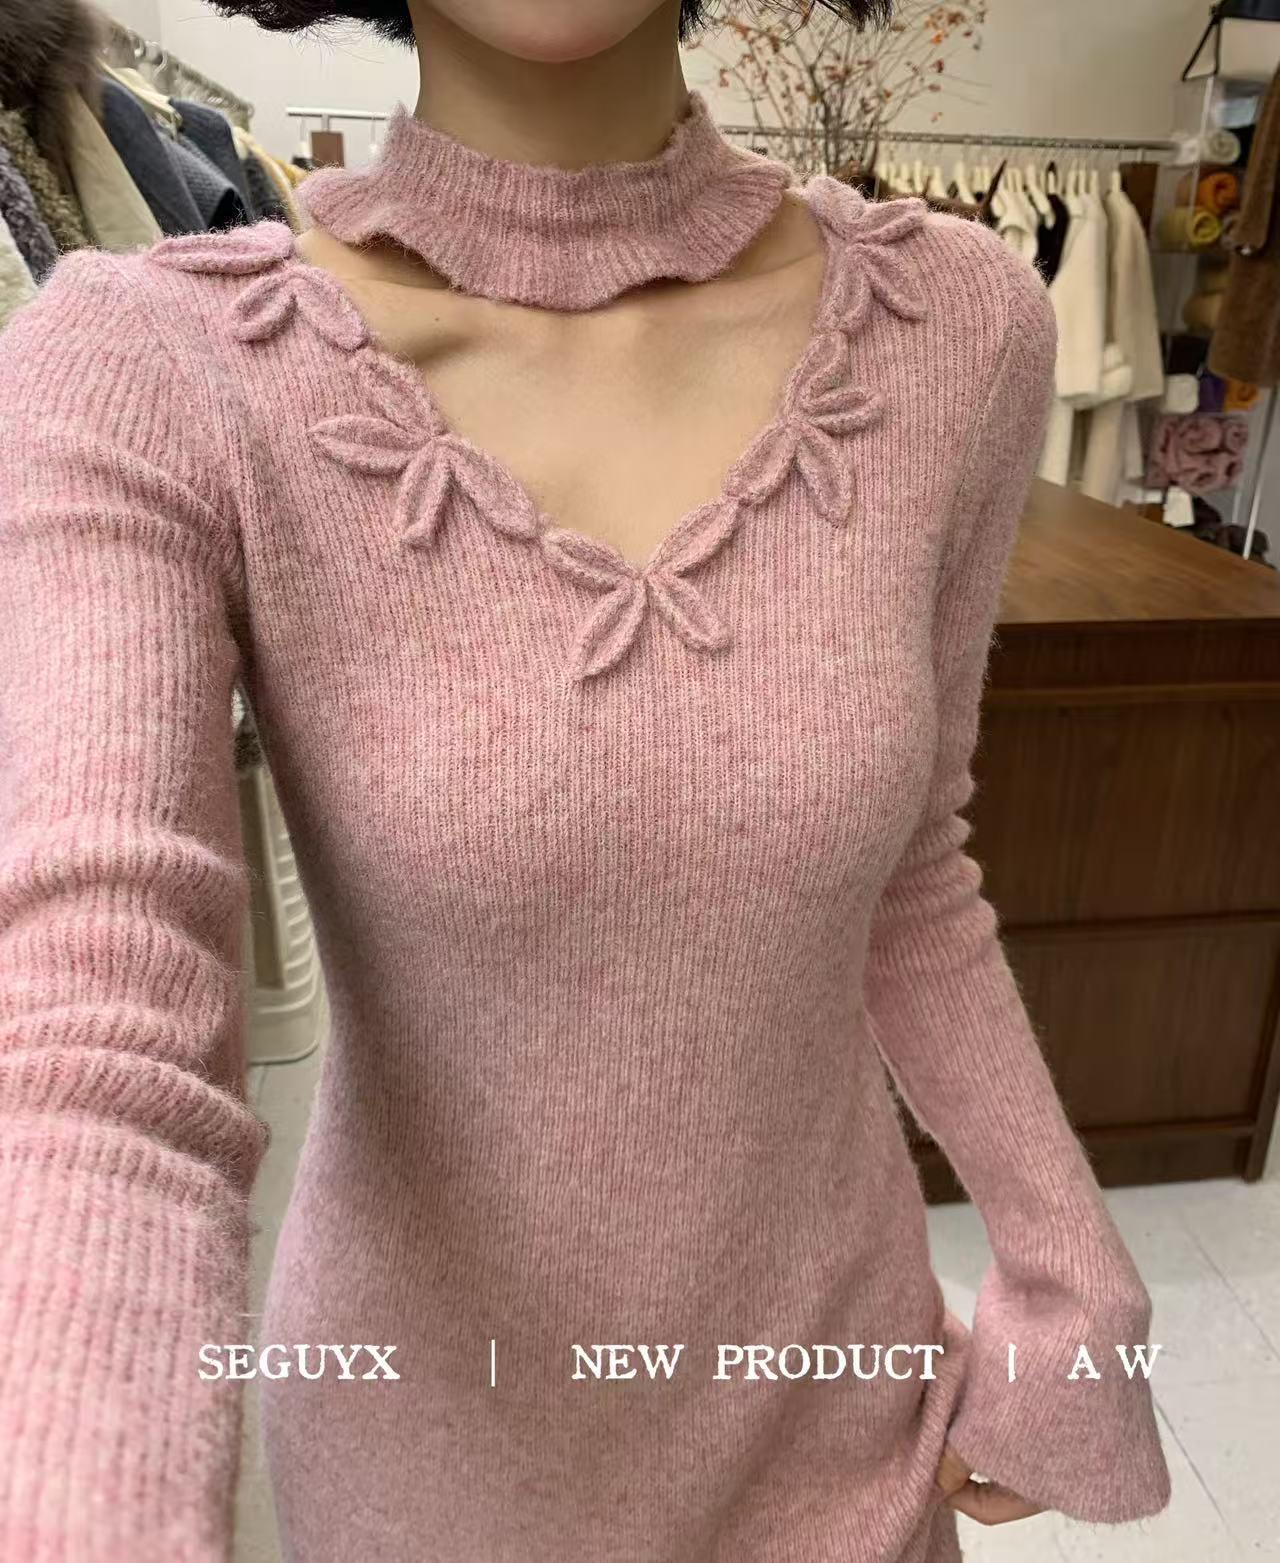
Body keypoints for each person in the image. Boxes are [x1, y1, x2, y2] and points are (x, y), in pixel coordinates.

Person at [0, 1, 1172, 1559]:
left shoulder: (960, 326)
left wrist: (1073, 1276)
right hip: (431, 1455)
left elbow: (912, 869)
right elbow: (93, 1038)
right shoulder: (155, 367)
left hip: (839, 1414)